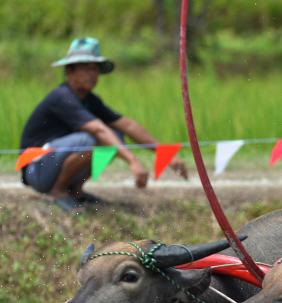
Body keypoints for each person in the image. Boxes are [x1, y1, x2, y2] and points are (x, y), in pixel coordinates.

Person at [19, 37, 187, 212]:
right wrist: (133, 161)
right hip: (37, 170)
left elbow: (127, 125)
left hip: (53, 165)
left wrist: (164, 152)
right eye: (86, 68)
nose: (93, 74)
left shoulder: (90, 100)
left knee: (116, 136)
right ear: (70, 71)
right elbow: (98, 129)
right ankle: (57, 191)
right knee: (90, 139)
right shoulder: (62, 97)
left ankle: (76, 191)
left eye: (95, 69)